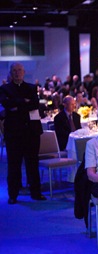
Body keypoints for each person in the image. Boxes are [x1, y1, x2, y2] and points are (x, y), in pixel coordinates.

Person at [0, 62, 46, 204]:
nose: (17, 73)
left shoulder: (31, 87)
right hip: (14, 133)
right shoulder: (4, 88)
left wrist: (16, 105)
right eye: (14, 70)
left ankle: (36, 193)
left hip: (31, 132)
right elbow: (6, 103)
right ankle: (13, 195)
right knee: (14, 165)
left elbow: (34, 104)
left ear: (24, 72)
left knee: (32, 164)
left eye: (19, 70)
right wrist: (23, 102)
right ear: (11, 73)